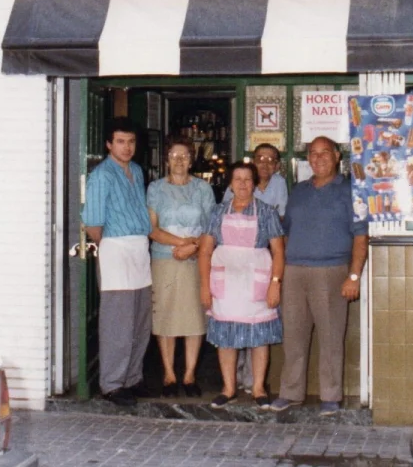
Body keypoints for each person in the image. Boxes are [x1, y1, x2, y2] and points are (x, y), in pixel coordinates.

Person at [270, 136, 368, 416]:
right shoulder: (299, 190)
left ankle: (330, 396)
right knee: (293, 336)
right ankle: (290, 393)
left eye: (325, 152)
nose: (319, 158)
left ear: (337, 156)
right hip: (294, 271)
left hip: (331, 271)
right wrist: (280, 274)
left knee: (330, 336)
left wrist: (353, 276)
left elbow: (361, 237)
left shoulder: (350, 191)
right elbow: (285, 233)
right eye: (313, 153)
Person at [198, 161, 285, 409]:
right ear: (230, 184)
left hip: (256, 281)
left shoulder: (266, 212)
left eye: (248, 179)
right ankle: (228, 388)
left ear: (255, 183)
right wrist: (204, 285)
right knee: (226, 338)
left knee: (259, 337)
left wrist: (275, 283)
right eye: (237, 179)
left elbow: (279, 251)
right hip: (225, 282)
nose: (243, 184)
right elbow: (205, 251)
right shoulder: (217, 212)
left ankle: (258, 388)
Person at [81, 117, 153, 407]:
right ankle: (112, 384)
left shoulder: (136, 170)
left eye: (131, 142)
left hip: (139, 248)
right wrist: (111, 247)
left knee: (140, 320)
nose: (127, 147)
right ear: (109, 144)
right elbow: (93, 224)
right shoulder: (102, 176)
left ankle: (132, 378)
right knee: (118, 322)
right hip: (116, 248)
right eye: (121, 142)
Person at [147, 137, 215, 398]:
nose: (179, 160)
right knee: (165, 316)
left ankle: (189, 375)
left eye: (184, 156)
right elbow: (152, 229)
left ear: (192, 160)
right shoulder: (155, 188)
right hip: (164, 259)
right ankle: (168, 375)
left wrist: (194, 247)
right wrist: (182, 243)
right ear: (166, 159)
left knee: (193, 317)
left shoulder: (203, 189)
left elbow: (212, 228)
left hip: (196, 260)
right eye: (174, 155)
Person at [223, 143, 288, 392]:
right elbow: (227, 218)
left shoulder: (279, 184)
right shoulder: (234, 191)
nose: (265, 164)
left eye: (271, 160)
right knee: (233, 322)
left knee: (257, 324)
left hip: (262, 260)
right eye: (260, 158)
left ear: (277, 165)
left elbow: (279, 220)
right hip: (233, 267)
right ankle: (233, 380)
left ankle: (253, 382)